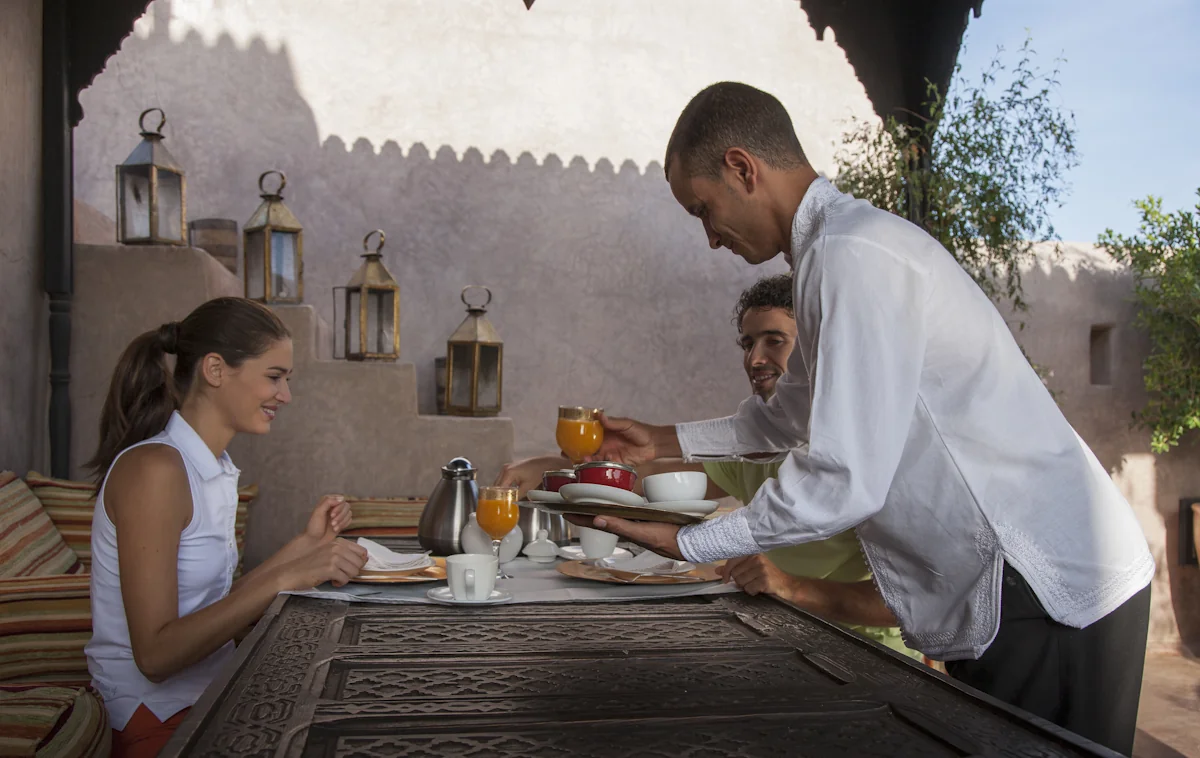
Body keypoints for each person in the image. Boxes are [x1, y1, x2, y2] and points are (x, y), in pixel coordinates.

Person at [573, 82, 1153, 756]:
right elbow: (791, 418)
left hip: (1047, 586)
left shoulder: (852, 254)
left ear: (742, 168)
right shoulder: (829, 254)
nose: (709, 238)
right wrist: (663, 441)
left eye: (704, 209)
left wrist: (694, 544)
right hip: (1006, 586)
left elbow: (845, 476)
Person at [497, 274, 917, 657]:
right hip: (780, 637)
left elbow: (911, 600)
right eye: (748, 343)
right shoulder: (757, 445)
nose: (754, 359)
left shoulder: (878, 446)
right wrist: (562, 470)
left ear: (819, 349)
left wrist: (794, 588)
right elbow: (655, 486)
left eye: (775, 340)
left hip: (867, 656)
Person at [84, 297, 369, 758]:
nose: (285, 395)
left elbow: (216, 607)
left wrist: (305, 546)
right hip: (155, 717)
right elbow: (155, 658)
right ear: (215, 370)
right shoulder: (155, 470)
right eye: (274, 377)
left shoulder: (211, 467)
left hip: (208, 696)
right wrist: (286, 576)